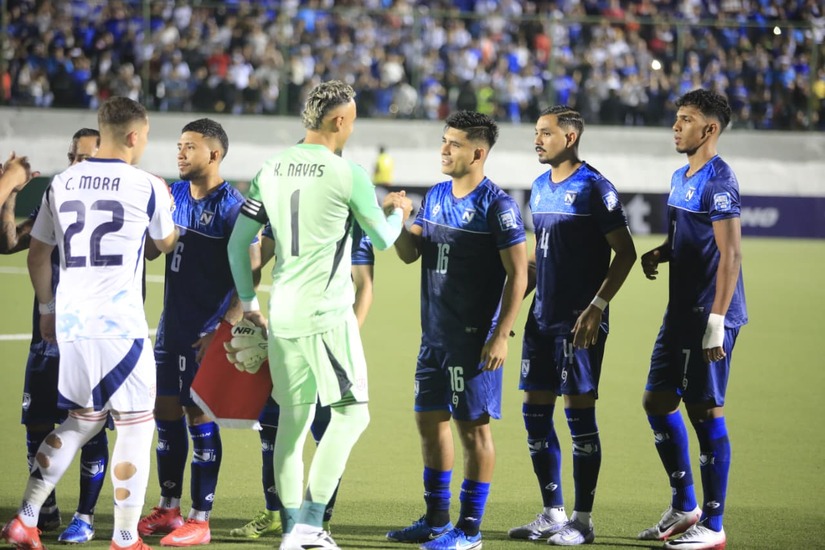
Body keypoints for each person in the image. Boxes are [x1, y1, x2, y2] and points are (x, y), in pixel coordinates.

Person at [226, 79, 411, 550]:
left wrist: (249, 304)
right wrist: (399, 210)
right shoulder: (348, 173)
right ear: (339, 120)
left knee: (293, 421)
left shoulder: (271, 167)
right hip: (326, 314)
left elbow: (238, 244)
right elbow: (383, 239)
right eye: (353, 120)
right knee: (352, 415)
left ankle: (292, 530)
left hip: (282, 313)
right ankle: (310, 524)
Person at [1, 96, 179, 550]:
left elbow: (37, 254)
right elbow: (165, 242)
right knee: (136, 426)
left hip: (72, 324)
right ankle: (125, 536)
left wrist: (47, 311)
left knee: (82, 420)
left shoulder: (61, 182)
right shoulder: (147, 184)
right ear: (134, 136)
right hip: (120, 326)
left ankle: (25, 518)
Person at [386, 111, 528, 550]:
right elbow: (409, 253)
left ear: (478, 153)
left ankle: (469, 530)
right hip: (434, 337)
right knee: (429, 422)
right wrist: (399, 220)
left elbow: (519, 273)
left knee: (473, 430)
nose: (444, 150)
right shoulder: (435, 195)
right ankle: (435, 520)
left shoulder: (497, 206)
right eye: (444, 141)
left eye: (455, 143)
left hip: (473, 341)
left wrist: (501, 334)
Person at [507, 106, 637, 546]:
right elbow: (536, 262)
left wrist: (598, 306)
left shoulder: (595, 187)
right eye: (536, 133)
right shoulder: (540, 186)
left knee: (579, 417)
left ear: (571, 137)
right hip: (541, 320)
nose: (537, 140)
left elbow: (626, 253)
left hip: (579, 324)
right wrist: (508, 312)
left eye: (546, 133)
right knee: (534, 416)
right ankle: (552, 512)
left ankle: (582, 521)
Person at [137, 118, 260, 547]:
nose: (181, 153)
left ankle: (200, 519)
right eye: (179, 145)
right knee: (165, 415)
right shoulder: (172, 195)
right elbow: (152, 251)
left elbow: (252, 271)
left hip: (205, 334)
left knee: (199, 416)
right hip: (171, 328)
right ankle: (169, 507)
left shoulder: (233, 206)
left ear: (214, 153)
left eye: (190, 146)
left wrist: (223, 330)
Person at [637, 89, 746, 550]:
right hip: (680, 312)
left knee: (704, 412)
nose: (676, 126)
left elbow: (730, 254)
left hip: (710, 314)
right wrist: (661, 252)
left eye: (686, 119)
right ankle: (685, 506)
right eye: (677, 118)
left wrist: (717, 321)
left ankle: (714, 524)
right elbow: (684, 238)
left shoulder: (719, 180)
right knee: (657, 401)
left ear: (710, 128)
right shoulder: (680, 176)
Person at [0, 129, 112, 544]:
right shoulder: (57, 198)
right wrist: (12, 196)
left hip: (90, 336)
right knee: (36, 421)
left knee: (91, 425)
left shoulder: (114, 206)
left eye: (84, 157)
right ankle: (43, 510)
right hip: (46, 333)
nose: (75, 163)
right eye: (72, 156)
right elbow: (10, 243)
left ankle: (85, 515)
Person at [230, 219, 374, 540]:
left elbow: (364, 285)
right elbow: (255, 261)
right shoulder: (285, 208)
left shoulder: (345, 214)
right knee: (276, 426)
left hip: (328, 338)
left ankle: (317, 523)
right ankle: (280, 515)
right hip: (288, 332)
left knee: (326, 428)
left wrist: (344, 342)